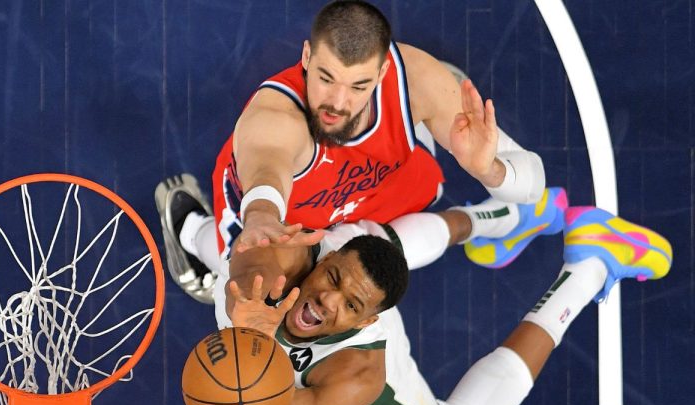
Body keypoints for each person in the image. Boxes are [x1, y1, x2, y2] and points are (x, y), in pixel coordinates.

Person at [155, 0, 548, 303]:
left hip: (370, 183)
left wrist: (487, 170)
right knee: (257, 285)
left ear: (381, 75)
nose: (337, 104)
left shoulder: (413, 77)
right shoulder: (275, 117)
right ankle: (191, 229)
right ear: (307, 57)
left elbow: (533, 185)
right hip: (287, 220)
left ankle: (435, 119)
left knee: (411, 219)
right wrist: (260, 217)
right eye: (326, 78)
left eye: (358, 86)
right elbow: (266, 177)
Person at [217, 206, 672, 405]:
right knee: (383, 243)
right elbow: (244, 263)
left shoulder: (360, 375)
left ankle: (582, 261)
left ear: (364, 323)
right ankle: (523, 220)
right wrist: (247, 307)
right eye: (330, 278)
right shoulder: (301, 256)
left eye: (350, 306)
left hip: (348, 356)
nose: (327, 301)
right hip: (358, 254)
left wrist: (227, 399)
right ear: (325, 258)